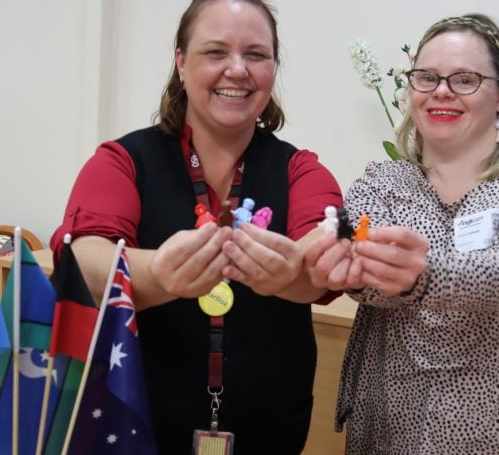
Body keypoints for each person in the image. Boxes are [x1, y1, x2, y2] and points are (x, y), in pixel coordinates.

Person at [305, 13, 499, 454]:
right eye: (426, 77)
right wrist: (331, 263)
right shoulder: (382, 184)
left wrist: (421, 275)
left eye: (465, 79)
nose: (441, 91)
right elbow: (362, 278)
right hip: (396, 428)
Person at [50, 0, 342, 453]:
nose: (238, 69)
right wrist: (155, 272)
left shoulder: (300, 169)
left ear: (273, 68)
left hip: (270, 431)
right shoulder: (122, 161)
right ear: (181, 63)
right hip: (135, 426)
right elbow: (82, 258)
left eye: (256, 54)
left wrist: (296, 271)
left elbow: (324, 246)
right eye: (216, 52)